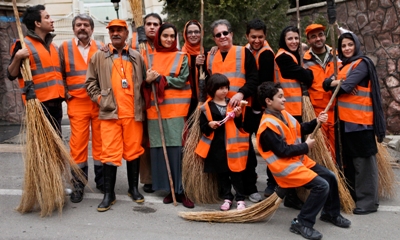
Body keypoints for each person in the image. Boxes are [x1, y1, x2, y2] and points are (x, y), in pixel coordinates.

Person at [256, 81, 351, 240]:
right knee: (321, 186)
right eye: (280, 97)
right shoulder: (267, 126)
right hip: (285, 167)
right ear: (268, 101)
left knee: (329, 176)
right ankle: (302, 222)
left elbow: (299, 128)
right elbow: (282, 151)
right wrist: (305, 147)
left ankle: (330, 213)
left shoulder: (282, 114)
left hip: (297, 161)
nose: (284, 99)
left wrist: (317, 121)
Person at [85, 19, 146, 212]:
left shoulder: (137, 56)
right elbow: (90, 83)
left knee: (134, 152)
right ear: (109, 33)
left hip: (133, 114)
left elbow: (144, 82)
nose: (116, 33)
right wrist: (100, 100)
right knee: (109, 154)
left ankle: (133, 189)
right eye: (113, 31)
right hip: (110, 114)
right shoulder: (98, 56)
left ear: (126, 33)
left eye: (120, 30)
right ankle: (108, 194)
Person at [323, 32, 385, 215]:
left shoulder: (362, 64)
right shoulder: (343, 66)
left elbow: (345, 86)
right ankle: (355, 197)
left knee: (364, 163)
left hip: (360, 123)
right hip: (344, 122)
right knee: (349, 162)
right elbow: (326, 84)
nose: (347, 48)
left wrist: (333, 82)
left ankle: (368, 203)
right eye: (343, 46)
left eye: (350, 44)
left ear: (356, 45)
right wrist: (334, 81)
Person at [206, 19, 261, 203]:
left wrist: (241, 93)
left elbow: (254, 79)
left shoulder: (243, 52)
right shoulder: (210, 56)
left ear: (231, 34)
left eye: (225, 33)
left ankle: (250, 188)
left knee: (245, 150)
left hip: (240, 111)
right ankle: (228, 192)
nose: (223, 36)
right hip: (219, 112)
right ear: (214, 38)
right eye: (218, 34)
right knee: (223, 151)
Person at [143, 23, 194, 208]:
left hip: (176, 111)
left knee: (177, 151)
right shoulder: (147, 56)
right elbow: (142, 80)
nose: (169, 39)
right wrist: (148, 81)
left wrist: (162, 79)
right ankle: (169, 188)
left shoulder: (182, 57)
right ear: (159, 37)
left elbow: (182, 80)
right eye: (165, 36)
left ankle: (182, 190)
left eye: (172, 36)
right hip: (155, 111)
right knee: (159, 150)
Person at [58, 14, 104, 203]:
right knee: (78, 146)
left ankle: (102, 182)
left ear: (92, 29)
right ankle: (78, 184)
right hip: (77, 103)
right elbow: (59, 72)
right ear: (73, 28)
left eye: (86, 25)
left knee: (102, 144)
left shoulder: (101, 47)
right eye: (79, 25)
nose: (82, 28)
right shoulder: (65, 48)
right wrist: (65, 91)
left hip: (98, 102)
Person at [274, 26, 314, 209]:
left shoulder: (291, 56)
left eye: (296, 38)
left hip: (293, 109)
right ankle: (288, 194)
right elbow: (306, 76)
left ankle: (293, 192)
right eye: (290, 38)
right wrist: (307, 72)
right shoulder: (283, 57)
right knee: (290, 153)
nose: (294, 42)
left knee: (294, 153)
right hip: (287, 110)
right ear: (284, 40)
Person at [8, 4, 64, 134]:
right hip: (38, 105)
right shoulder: (22, 45)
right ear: (37, 23)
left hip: (56, 104)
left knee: (56, 148)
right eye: (47, 17)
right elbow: (11, 74)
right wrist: (17, 57)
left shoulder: (54, 47)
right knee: (44, 149)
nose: (52, 20)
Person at [196, 73, 248, 211]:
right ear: (212, 89)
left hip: (233, 145)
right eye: (220, 88)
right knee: (222, 173)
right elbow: (203, 127)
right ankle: (227, 197)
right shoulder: (206, 107)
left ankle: (240, 198)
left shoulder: (232, 103)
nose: (224, 91)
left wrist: (238, 116)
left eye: (226, 87)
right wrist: (210, 124)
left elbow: (240, 125)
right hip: (217, 147)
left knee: (236, 173)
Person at [128, 13, 162, 194]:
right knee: (144, 141)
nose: (152, 27)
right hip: (140, 99)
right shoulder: (135, 46)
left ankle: (162, 175)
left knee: (160, 140)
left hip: (161, 101)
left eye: (155, 24)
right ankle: (147, 179)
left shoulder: (165, 43)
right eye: (148, 24)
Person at [244, 18, 277, 198]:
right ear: (247, 36)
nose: (257, 40)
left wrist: (258, 108)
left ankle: (272, 181)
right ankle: (253, 175)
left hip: (261, 107)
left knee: (267, 145)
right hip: (248, 106)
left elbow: (264, 85)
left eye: (260, 37)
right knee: (248, 145)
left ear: (265, 36)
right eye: (253, 37)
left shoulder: (266, 54)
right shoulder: (246, 50)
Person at [303, 23, 338, 162]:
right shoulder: (304, 60)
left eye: (320, 35)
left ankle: (340, 177)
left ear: (325, 36)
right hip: (317, 111)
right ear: (308, 40)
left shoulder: (337, 55)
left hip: (337, 108)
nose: (318, 39)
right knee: (321, 149)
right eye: (313, 36)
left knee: (338, 149)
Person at [182, 20, 208, 117]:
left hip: (205, 100)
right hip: (187, 101)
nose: (193, 35)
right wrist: (193, 66)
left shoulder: (208, 53)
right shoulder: (181, 54)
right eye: (190, 32)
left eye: (196, 32)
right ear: (185, 34)